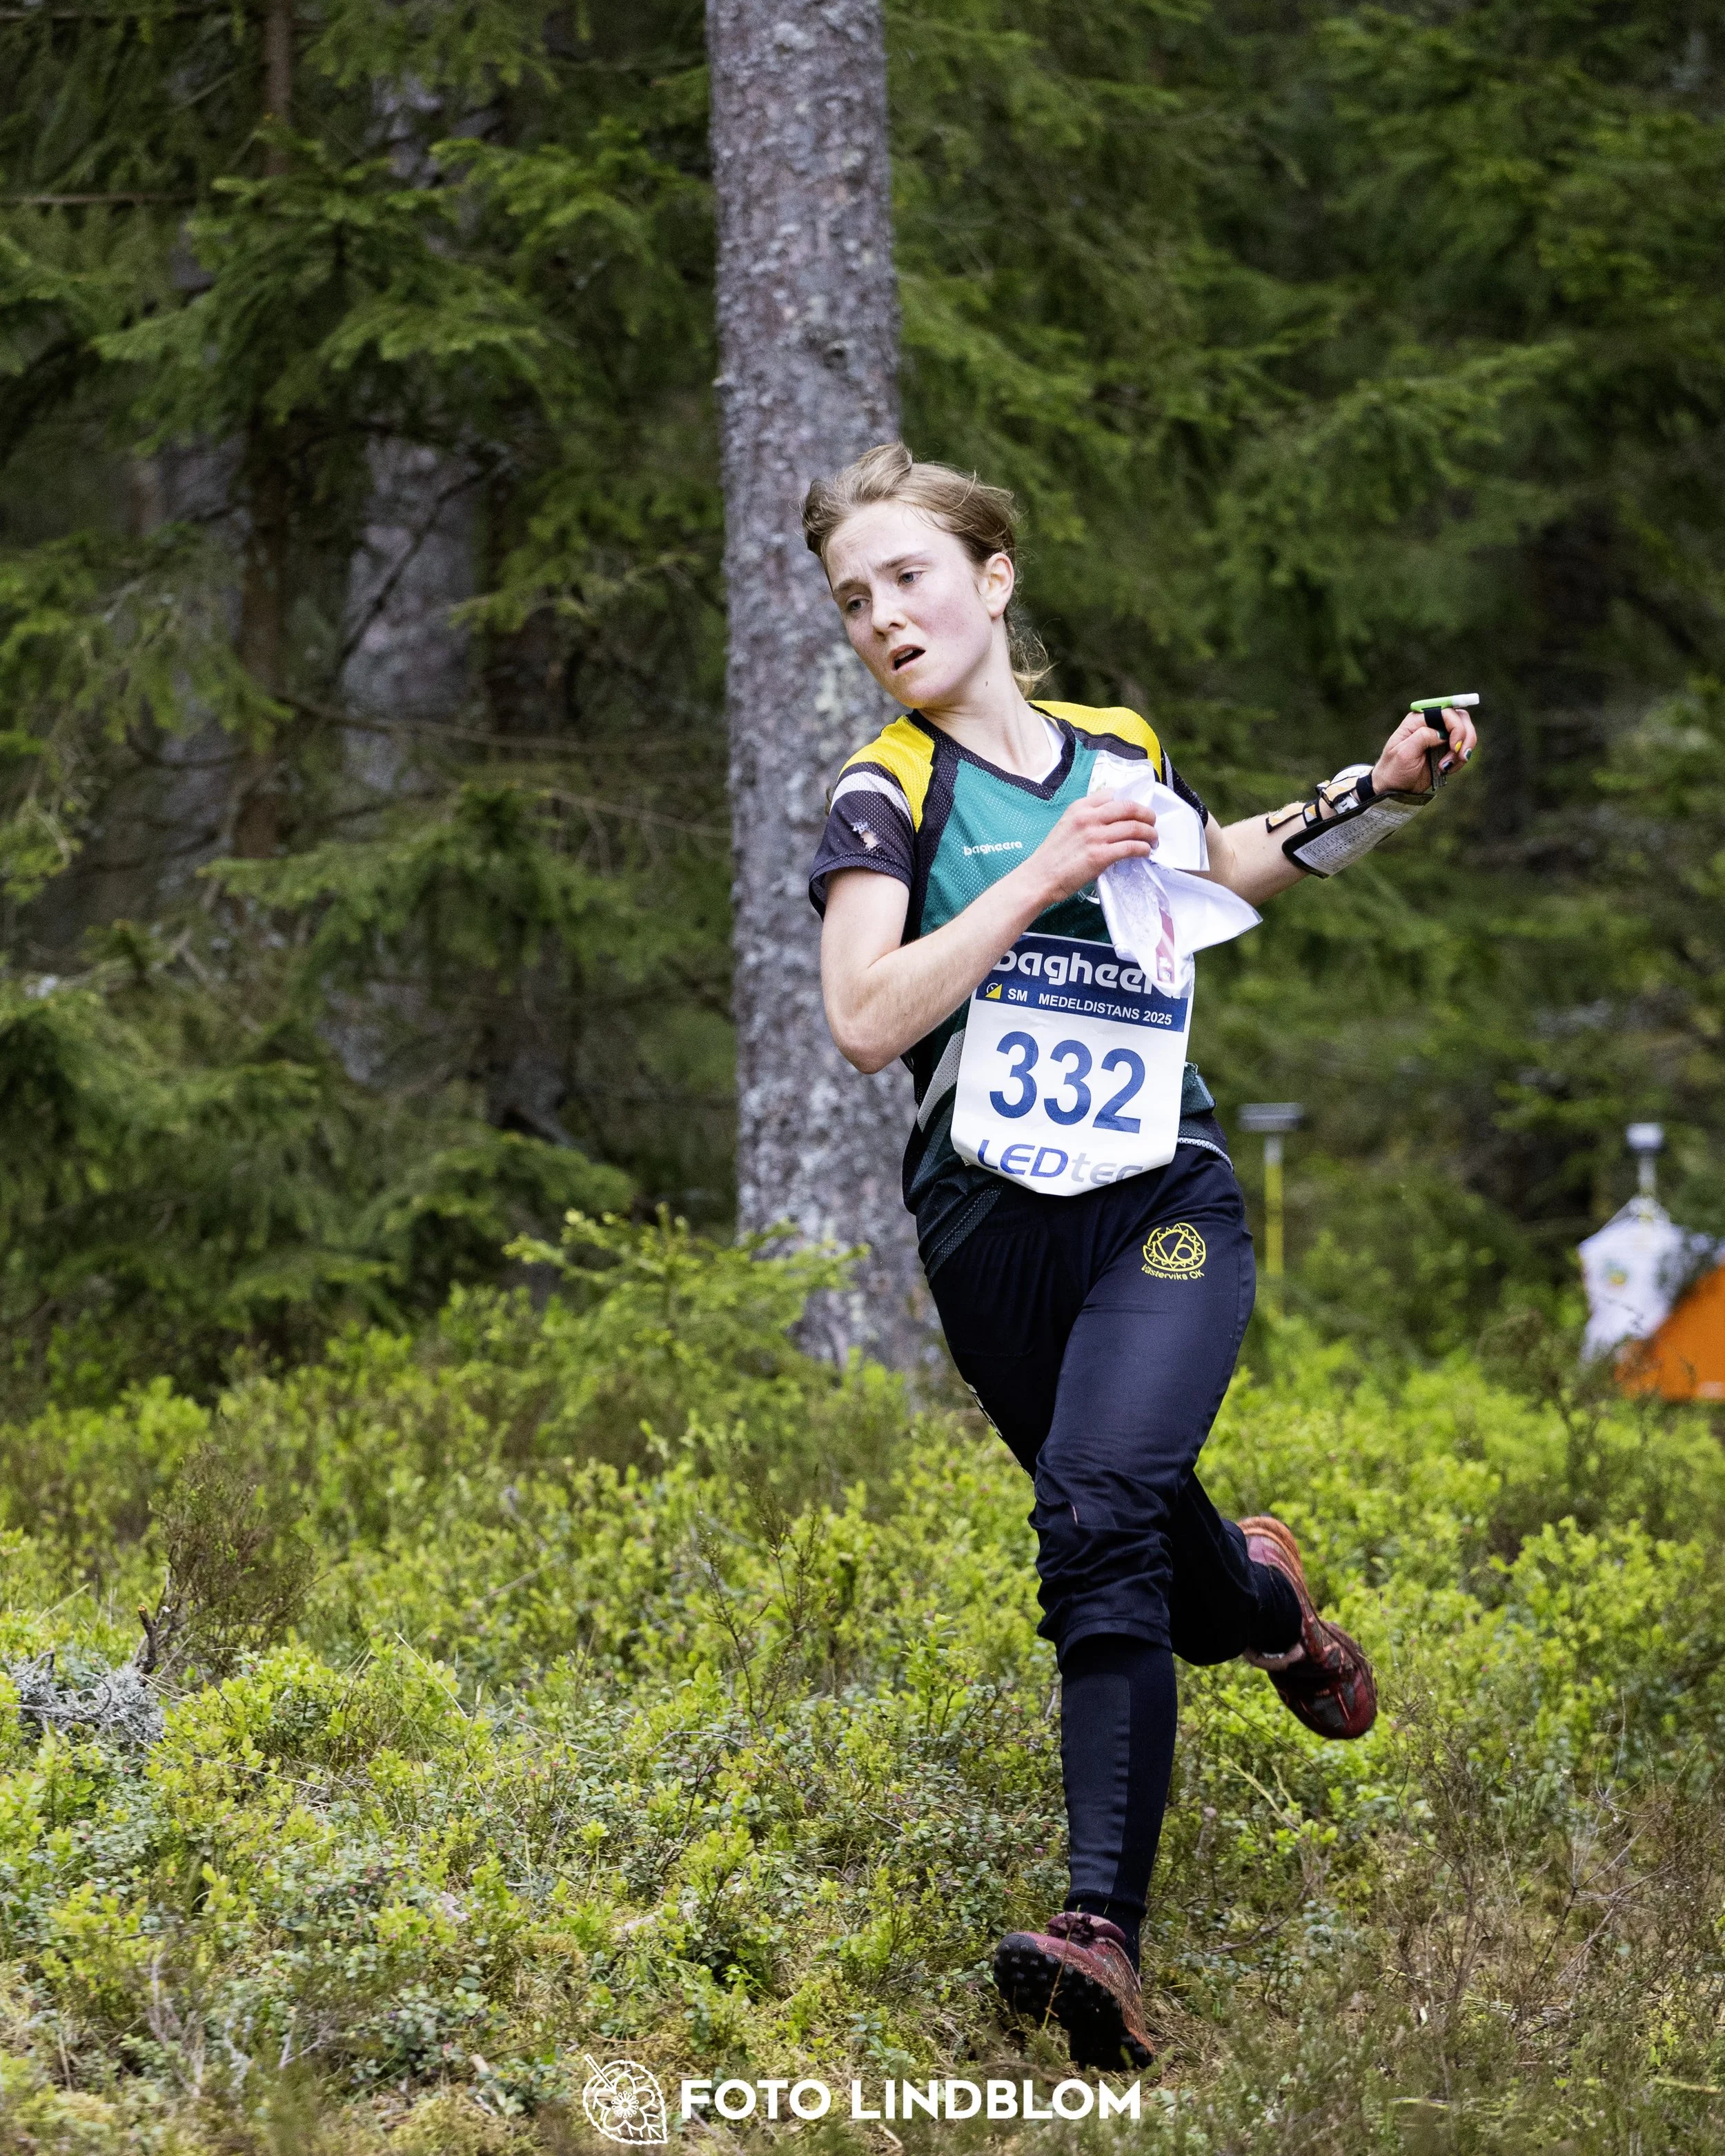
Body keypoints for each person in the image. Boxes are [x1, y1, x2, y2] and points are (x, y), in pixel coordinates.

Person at [802, 442, 1477, 2073]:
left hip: (1161, 1194)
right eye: (851, 599)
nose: (883, 616)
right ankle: (1265, 1604)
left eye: (907, 577)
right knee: (1146, 1551)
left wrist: (1373, 793)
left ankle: (1096, 1931)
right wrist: (1039, 875)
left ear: (991, 580)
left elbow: (1215, 868)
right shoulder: (881, 792)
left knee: (1096, 1508)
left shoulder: (1117, 746)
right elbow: (864, 1017)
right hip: (988, 1234)